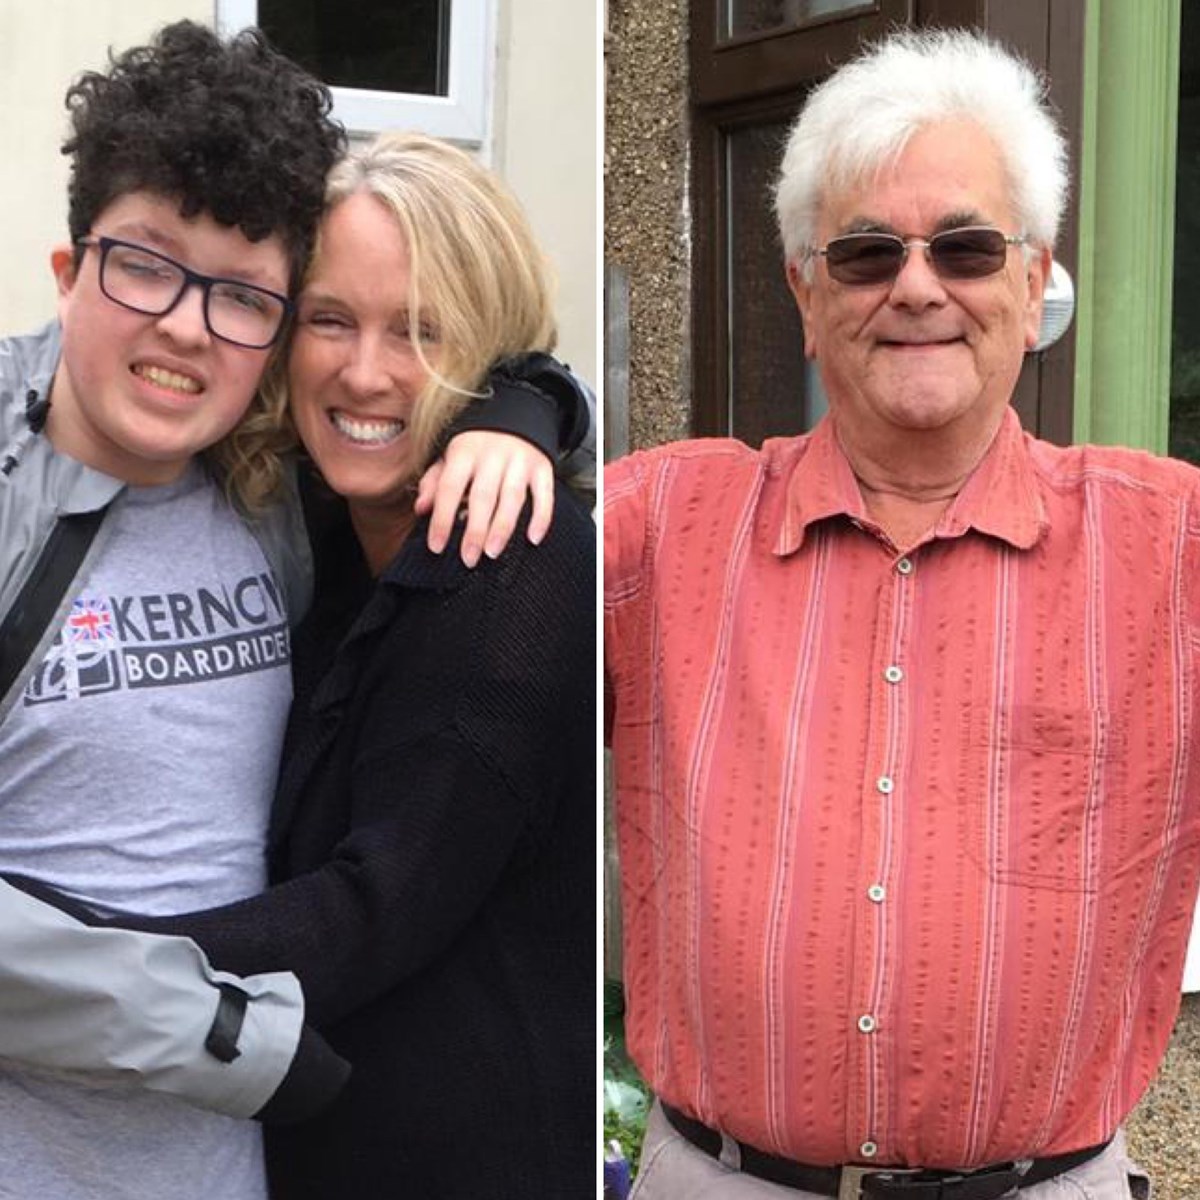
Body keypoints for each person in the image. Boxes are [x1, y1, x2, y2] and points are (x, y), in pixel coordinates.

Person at [0, 19, 588, 1200]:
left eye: (241, 296)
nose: (184, 327)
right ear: (70, 274)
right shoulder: (266, 494)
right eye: (331, 318)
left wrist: (527, 407)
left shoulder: (324, 513)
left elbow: (384, 899)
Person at [605, 28, 1195, 1200]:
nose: (918, 286)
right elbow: (465, 571)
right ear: (806, 294)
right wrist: (520, 418)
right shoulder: (662, 526)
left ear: (1034, 287)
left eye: (967, 248)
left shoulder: (1171, 548)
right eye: (868, 254)